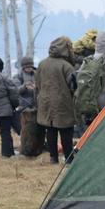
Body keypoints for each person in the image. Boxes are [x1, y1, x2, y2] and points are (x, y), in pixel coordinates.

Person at [36, 36, 77, 164]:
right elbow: (73, 86)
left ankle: (53, 157)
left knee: (51, 130)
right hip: (63, 103)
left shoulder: (42, 64)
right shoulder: (67, 66)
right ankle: (69, 158)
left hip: (45, 102)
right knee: (66, 131)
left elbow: (37, 84)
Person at [13, 56, 45, 156]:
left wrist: (36, 87)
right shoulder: (18, 77)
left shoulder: (38, 75)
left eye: (30, 66)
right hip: (24, 108)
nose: (29, 68)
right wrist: (24, 86)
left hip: (37, 106)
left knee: (39, 128)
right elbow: (15, 91)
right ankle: (26, 148)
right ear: (23, 67)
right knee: (25, 130)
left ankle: (40, 147)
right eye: (27, 67)